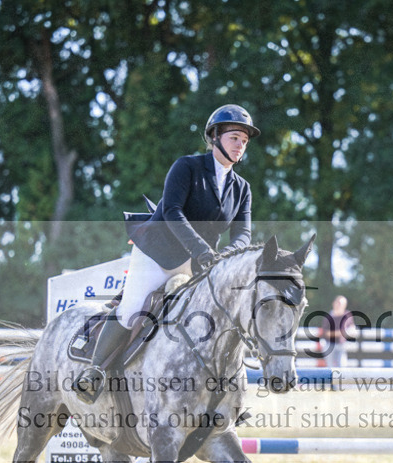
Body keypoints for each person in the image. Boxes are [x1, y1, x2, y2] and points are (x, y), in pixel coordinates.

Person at [72, 104, 260, 403]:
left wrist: (224, 258)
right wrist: (202, 250)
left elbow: (243, 235)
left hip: (201, 262)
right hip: (159, 251)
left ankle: (225, 395)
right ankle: (93, 372)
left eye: (244, 141)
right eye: (234, 138)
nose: (240, 146)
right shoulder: (187, 167)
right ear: (215, 137)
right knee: (132, 309)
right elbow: (172, 211)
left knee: (218, 315)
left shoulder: (242, 188)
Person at [319, 295, 354, 368]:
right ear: (333, 303)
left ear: (344, 305)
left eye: (340, 304)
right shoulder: (328, 316)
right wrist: (341, 333)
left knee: (342, 366)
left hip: (341, 344)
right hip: (329, 344)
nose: (338, 305)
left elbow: (352, 327)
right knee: (330, 367)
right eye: (337, 303)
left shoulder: (347, 315)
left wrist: (349, 331)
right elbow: (326, 333)